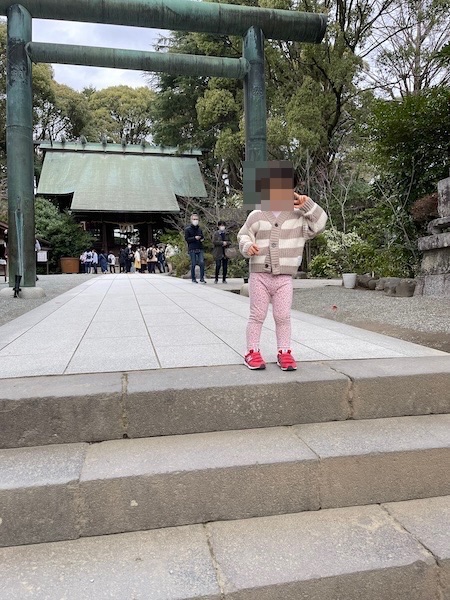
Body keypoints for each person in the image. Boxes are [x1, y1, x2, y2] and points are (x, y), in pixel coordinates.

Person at [238, 161, 327, 371]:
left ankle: (284, 351)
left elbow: (320, 224)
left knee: (283, 316)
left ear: (293, 190)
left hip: (284, 278)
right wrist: (248, 246)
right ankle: (252, 351)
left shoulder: (299, 217)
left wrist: (308, 205)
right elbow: (243, 235)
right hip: (259, 275)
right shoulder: (257, 215)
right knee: (257, 315)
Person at [184, 213, 206, 283]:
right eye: (194, 219)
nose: (195, 221)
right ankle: (193, 278)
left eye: (196, 219)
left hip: (200, 247)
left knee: (202, 262)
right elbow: (187, 239)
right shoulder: (187, 229)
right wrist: (194, 238)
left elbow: (202, 236)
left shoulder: (199, 229)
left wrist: (201, 239)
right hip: (192, 248)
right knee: (193, 263)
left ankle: (202, 278)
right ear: (191, 220)